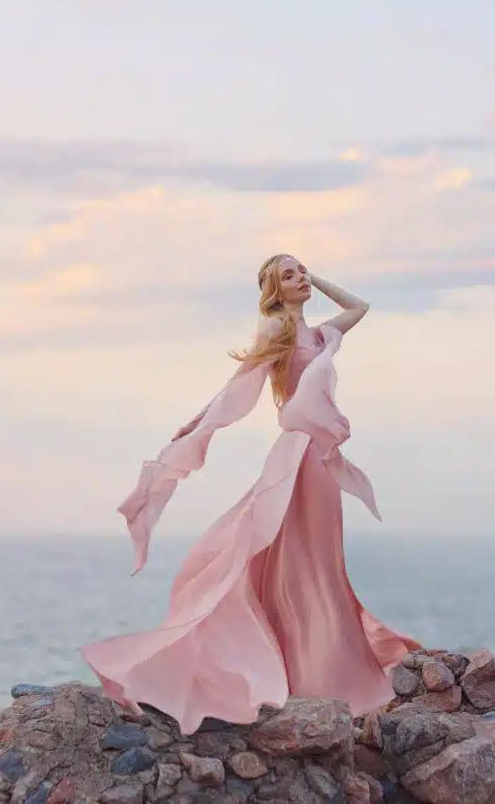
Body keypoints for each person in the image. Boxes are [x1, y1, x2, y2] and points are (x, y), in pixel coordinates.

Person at [80, 254, 421, 734]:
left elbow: (360, 306)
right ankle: (307, 673)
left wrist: (314, 280)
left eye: (302, 271)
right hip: (297, 454)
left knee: (321, 562)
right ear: (273, 291)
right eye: (289, 275)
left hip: (319, 458)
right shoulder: (276, 331)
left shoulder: (320, 334)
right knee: (290, 558)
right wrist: (198, 424)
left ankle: (324, 669)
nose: (301, 278)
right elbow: (237, 387)